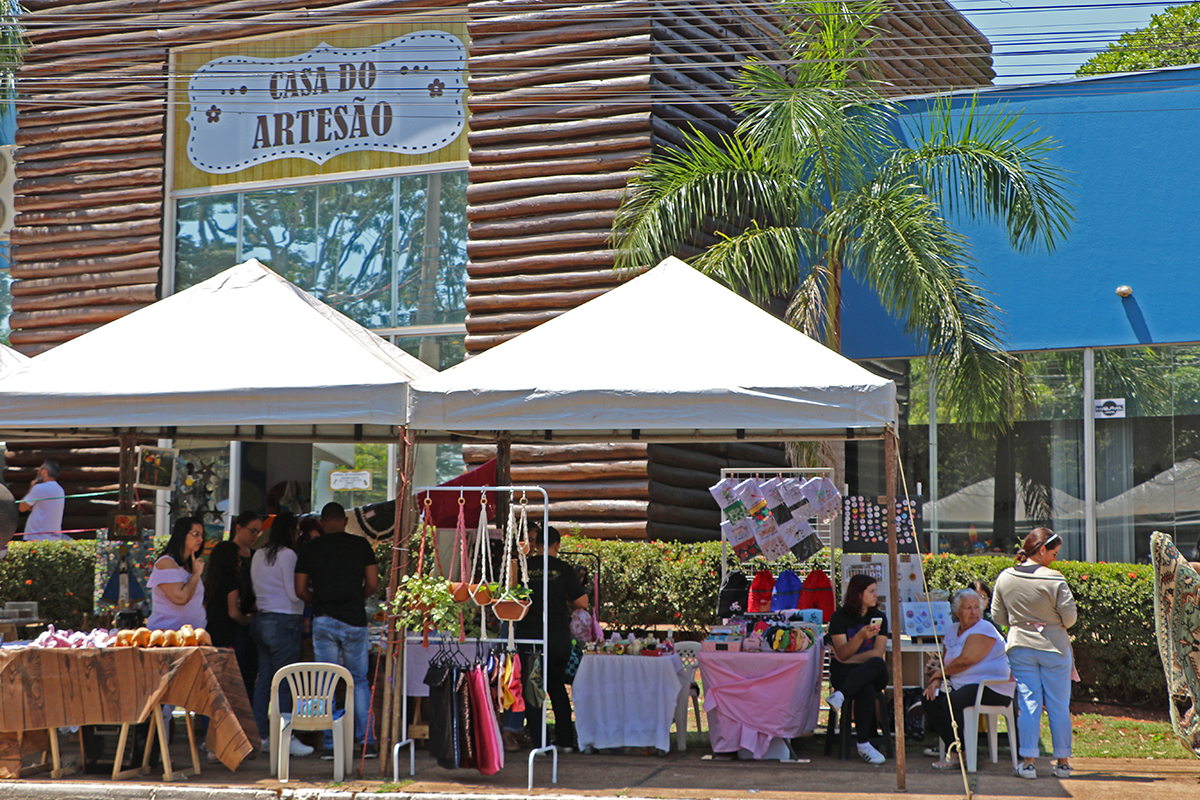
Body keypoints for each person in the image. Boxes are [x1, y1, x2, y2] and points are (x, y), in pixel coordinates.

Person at [992, 527, 1078, 780]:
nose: (1055, 558)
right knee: (1058, 706)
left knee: (1028, 704)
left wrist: (1021, 621)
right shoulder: (1054, 579)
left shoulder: (1005, 577)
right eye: (1054, 553)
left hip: (1020, 645)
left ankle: (1028, 763)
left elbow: (998, 616)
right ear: (1041, 550)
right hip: (1054, 647)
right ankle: (1063, 763)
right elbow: (1070, 619)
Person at [294, 502, 378, 757]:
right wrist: (357, 597)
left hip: (323, 619)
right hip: (354, 619)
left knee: (326, 682)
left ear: (322, 523)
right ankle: (366, 742)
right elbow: (372, 584)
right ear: (345, 521)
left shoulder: (310, 548)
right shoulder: (360, 545)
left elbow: (300, 589)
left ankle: (330, 745)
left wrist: (317, 601)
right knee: (359, 681)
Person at [507, 523, 587, 754]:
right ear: (557, 545)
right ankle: (565, 740)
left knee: (532, 688)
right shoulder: (563, 568)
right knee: (556, 686)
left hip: (529, 635)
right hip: (557, 635)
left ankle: (540, 742)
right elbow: (582, 602)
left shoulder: (524, 567)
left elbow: (512, 597)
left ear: (538, 544)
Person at [921, 588, 1014, 770]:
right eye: (968, 608)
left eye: (977, 607)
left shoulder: (984, 628)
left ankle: (962, 753)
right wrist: (936, 681)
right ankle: (958, 750)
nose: (974, 612)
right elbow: (946, 663)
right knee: (930, 699)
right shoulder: (952, 630)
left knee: (953, 701)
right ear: (957, 612)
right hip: (960, 685)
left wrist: (939, 674)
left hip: (992, 687)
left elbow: (966, 661)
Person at [250, 510, 312, 758]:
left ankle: (261, 736)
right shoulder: (287, 555)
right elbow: (293, 592)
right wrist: (310, 596)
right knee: (286, 681)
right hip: (284, 621)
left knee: (265, 680)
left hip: (262, 620)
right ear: (291, 530)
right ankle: (286, 737)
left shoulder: (258, 554)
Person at [826, 573, 889, 765]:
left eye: (875, 591)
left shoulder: (879, 618)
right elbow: (843, 652)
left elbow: (877, 653)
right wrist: (860, 637)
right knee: (865, 687)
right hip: (846, 675)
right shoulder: (839, 617)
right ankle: (863, 744)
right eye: (871, 591)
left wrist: (848, 660)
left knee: (877, 663)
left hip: (870, 671)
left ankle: (840, 695)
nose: (876, 595)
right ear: (858, 594)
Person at [147, 516, 206, 630]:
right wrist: (196, 574)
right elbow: (181, 598)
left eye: (202, 535)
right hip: (167, 633)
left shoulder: (191, 565)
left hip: (194, 633)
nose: (200, 539)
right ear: (181, 534)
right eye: (196, 534)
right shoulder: (166, 562)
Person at [229, 511, 262, 700]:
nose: (255, 536)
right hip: (233, 620)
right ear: (239, 528)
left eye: (258, 532)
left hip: (254, 617)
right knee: (235, 672)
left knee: (250, 671)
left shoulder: (257, 555)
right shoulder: (228, 554)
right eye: (252, 531)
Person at [19, 460, 66, 541]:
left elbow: (22, 507)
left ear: (44, 471)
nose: (38, 472)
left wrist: (31, 487)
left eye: (39, 470)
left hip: (36, 537)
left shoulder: (39, 488)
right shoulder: (60, 490)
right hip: (53, 538)